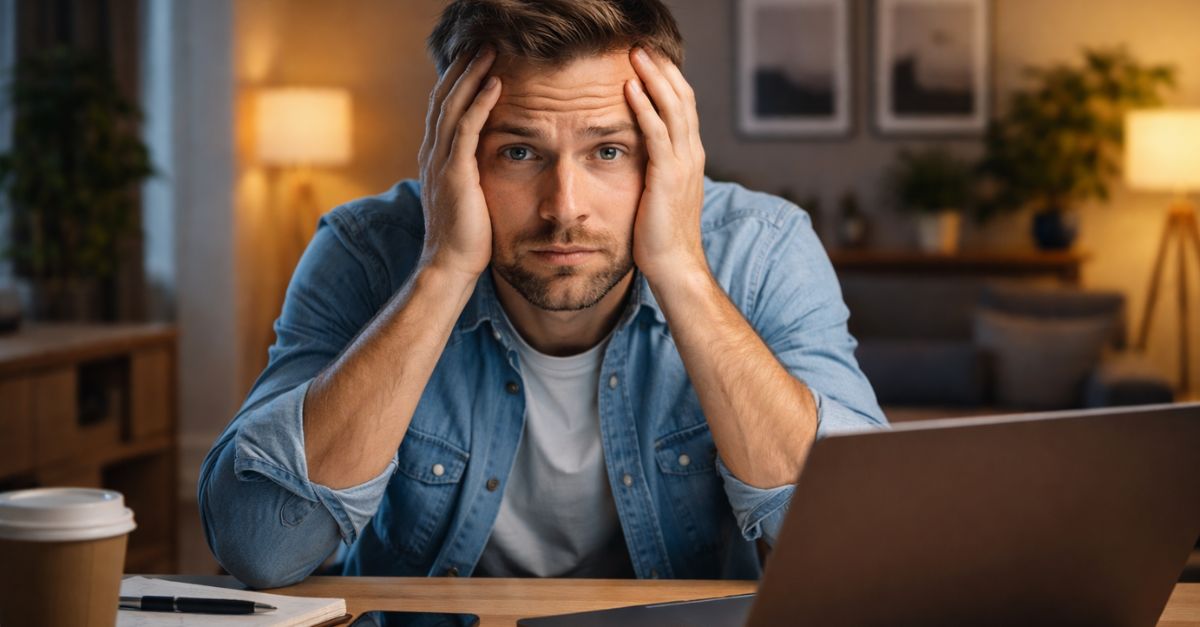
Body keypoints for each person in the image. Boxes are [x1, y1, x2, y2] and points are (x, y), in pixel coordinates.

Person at [199, 0, 886, 589]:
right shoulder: (365, 252)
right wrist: (441, 270)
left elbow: (860, 545)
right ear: (452, 151)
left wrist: (680, 268)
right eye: (518, 152)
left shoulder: (763, 248)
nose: (564, 207)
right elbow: (263, 546)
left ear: (670, 152)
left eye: (608, 151)